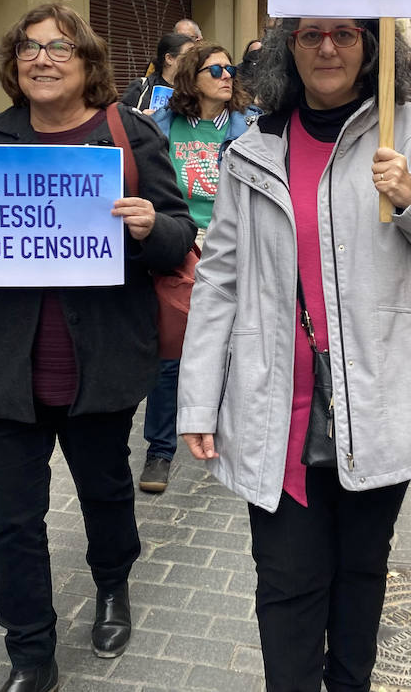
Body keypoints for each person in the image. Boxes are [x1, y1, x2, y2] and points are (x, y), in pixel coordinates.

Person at [178, 18, 411, 692]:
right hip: (275, 408)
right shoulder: (253, 149)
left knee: (360, 574)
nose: (327, 48)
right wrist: (199, 398)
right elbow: (220, 281)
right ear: (289, 45)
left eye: (346, 33)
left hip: (382, 401)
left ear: (370, 45)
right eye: (312, 33)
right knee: (287, 585)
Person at [0, 5, 196, 692]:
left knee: (105, 492)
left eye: (58, 47)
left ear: (88, 61)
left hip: (102, 362)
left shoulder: (129, 135)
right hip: (8, 367)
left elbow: (181, 235)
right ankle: (31, 650)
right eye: (29, 48)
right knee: (11, 520)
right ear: (14, 65)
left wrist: (152, 224)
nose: (42, 58)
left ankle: (113, 582)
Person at [140, 44, 257, 495]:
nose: (227, 75)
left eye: (230, 69)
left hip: (234, 249)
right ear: (193, 76)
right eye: (216, 69)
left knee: (235, 348)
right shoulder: (160, 125)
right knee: (172, 353)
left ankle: (230, 438)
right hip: (180, 247)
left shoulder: (252, 127)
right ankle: (160, 450)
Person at [121, 31, 194, 110]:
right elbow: (122, 118)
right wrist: (141, 117)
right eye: (188, 55)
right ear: (169, 58)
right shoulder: (141, 87)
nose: (194, 60)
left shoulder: (192, 91)